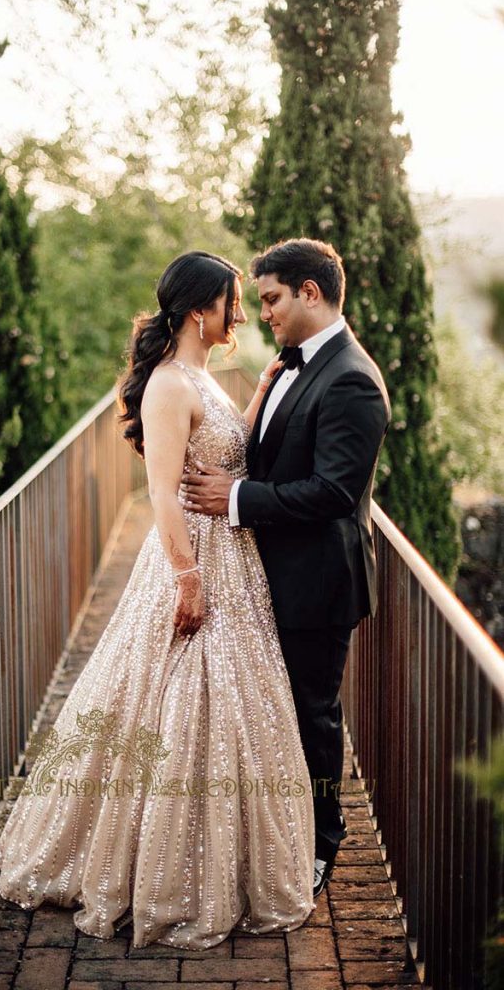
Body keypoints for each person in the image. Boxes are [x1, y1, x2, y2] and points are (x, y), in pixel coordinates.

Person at [0, 250, 317, 950]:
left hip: (234, 556)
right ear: (200, 309)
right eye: (232, 301)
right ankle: (156, 872)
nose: (241, 314)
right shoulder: (168, 385)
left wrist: (260, 392)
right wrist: (187, 578)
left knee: (232, 706)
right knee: (176, 700)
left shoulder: (201, 377)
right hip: (194, 557)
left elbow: (223, 452)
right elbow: (162, 493)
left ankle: (220, 864)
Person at [181, 238, 391, 898]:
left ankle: (322, 842)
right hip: (269, 572)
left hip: (317, 581)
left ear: (310, 292)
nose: (262, 313)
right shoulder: (290, 366)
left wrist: (237, 498)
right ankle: (275, 836)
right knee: (274, 712)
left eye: (271, 298)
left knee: (310, 713)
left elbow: (334, 492)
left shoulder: (351, 378)